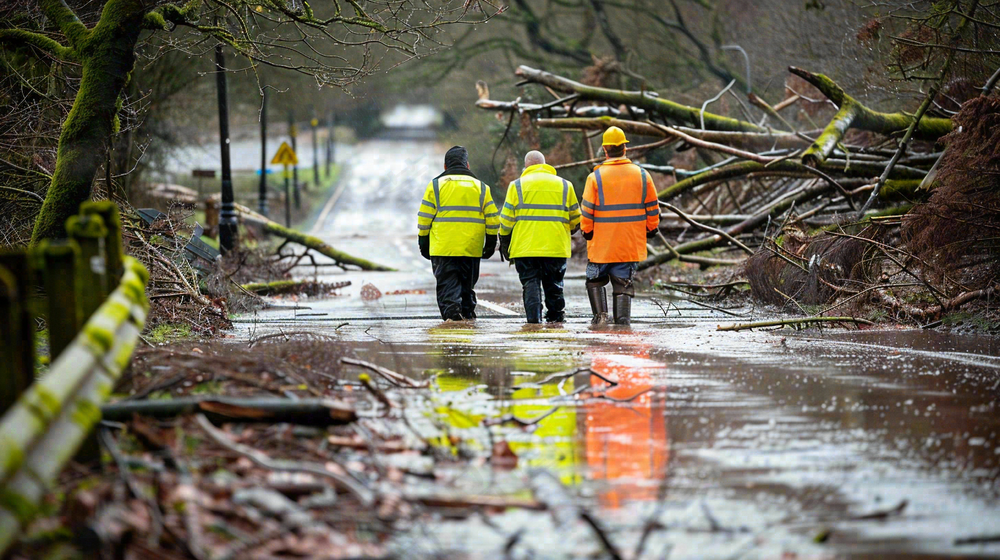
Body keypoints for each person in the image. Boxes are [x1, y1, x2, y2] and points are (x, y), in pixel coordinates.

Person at [580, 127, 660, 325]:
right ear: (625, 148)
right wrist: (651, 228)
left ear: (605, 150)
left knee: (595, 280)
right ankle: (622, 322)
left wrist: (587, 231)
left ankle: (600, 317)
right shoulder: (642, 175)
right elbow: (652, 207)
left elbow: (587, 210)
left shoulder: (595, 177)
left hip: (601, 244)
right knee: (623, 283)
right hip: (629, 243)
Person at [417, 146, 500, 321]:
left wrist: (423, 244)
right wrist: (490, 245)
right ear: (467, 165)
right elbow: (492, 220)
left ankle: (453, 320)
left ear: (445, 166)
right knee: (467, 287)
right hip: (471, 249)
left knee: (447, 288)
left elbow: (424, 220)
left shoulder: (435, 186)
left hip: (443, 249)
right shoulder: (481, 187)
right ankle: (468, 318)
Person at [498, 151, 581, 323]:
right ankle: (556, 319)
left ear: (526, 166)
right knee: (554, 285)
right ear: (544, 164)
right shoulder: (565, 185)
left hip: (525, 248)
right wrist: (568, 230)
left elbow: (506, 221)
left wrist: (504, 242)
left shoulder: (516, 186)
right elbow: (576, 219)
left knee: (530, 283)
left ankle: (533, 321)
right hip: (555, 246)